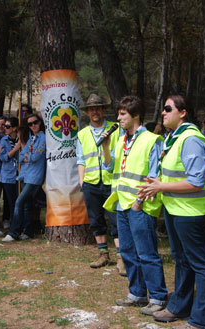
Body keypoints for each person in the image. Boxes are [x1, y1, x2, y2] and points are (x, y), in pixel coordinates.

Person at [138, 95, 205, 329]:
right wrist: (157, 181)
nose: (163, 112)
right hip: (175, 209)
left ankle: (202, 321)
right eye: (162, 109)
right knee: (181, 260)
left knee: (201, 264)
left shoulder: (191, 139)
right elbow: (176, 173)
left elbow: (196, 182)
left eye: (168, 108)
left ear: (183, 112)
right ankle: (179, 307)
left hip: (191, 212)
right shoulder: (173, 138)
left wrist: (160, 186)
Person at [101, 96, 168, 315]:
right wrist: (106, 147)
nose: (118, 118)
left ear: (135, 115)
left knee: (147, 253)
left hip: (140, 206)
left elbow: (154, 174)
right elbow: (110, 168)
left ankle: (158, 297)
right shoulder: (121, 140)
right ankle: (137, 293)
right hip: (122, 205)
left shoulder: (152, 140)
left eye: (122, 114)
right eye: (118, 114)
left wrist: (139, 202)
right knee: (127, 251)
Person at [74, 93, 124, 274]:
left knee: (116, 220)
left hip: (112, 182)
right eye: (91, 109)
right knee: (96, 220)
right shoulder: (82, 134)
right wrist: (82, 181)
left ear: (103, 110)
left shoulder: (116, 129)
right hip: (91, 183)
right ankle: (103, 254)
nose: (95, 112)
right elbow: (81, 159)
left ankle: (121, 258)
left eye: (98, 108)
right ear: (87, 112)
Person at [2, 114, 45, 242]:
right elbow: (21, 157)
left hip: (35, 177)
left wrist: (28, 156)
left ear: (40, 123)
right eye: (30, 124)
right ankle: (28, 231)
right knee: (26, 205)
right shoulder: (32, 138)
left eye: (35, 122)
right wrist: (27, 156)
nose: (33, 126)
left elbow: (35, 157)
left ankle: (14, 232)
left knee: (19, 202)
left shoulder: (43, 138)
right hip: (26, 175)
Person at [0, 117, 21, 230]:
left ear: (14, 128)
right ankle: (13, 224)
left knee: (20, 201)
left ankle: (20, 224)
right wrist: (15, 149)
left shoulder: (21, 139)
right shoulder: (3, 140)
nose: (4, 128)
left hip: (20, 174)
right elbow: (2, 157)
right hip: (7, 175)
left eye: (7, 126)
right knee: (11, 201)